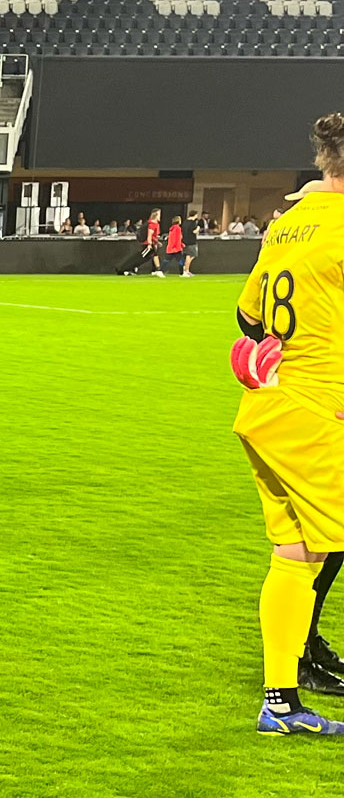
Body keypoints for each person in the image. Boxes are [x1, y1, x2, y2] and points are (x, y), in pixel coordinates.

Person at [228, 112, 344, 734]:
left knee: (297, 549)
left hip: (268, 405)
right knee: (320, 545)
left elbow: (249, 319)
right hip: (317, 409)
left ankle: (283, 698)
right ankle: (298, 674)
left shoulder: (288, 224)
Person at [119, 207, 165, 276]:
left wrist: (157, 242)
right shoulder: (152, 224)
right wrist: (149, 244)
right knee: (142, 257)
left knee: (148, 256)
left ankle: (155, 270)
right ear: (155, 215)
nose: (160, 216)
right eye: (159, 214)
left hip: (150, 243)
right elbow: (150, 235)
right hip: (148, 244)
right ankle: (125, 269)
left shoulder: (154, 224)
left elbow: (152, 236)